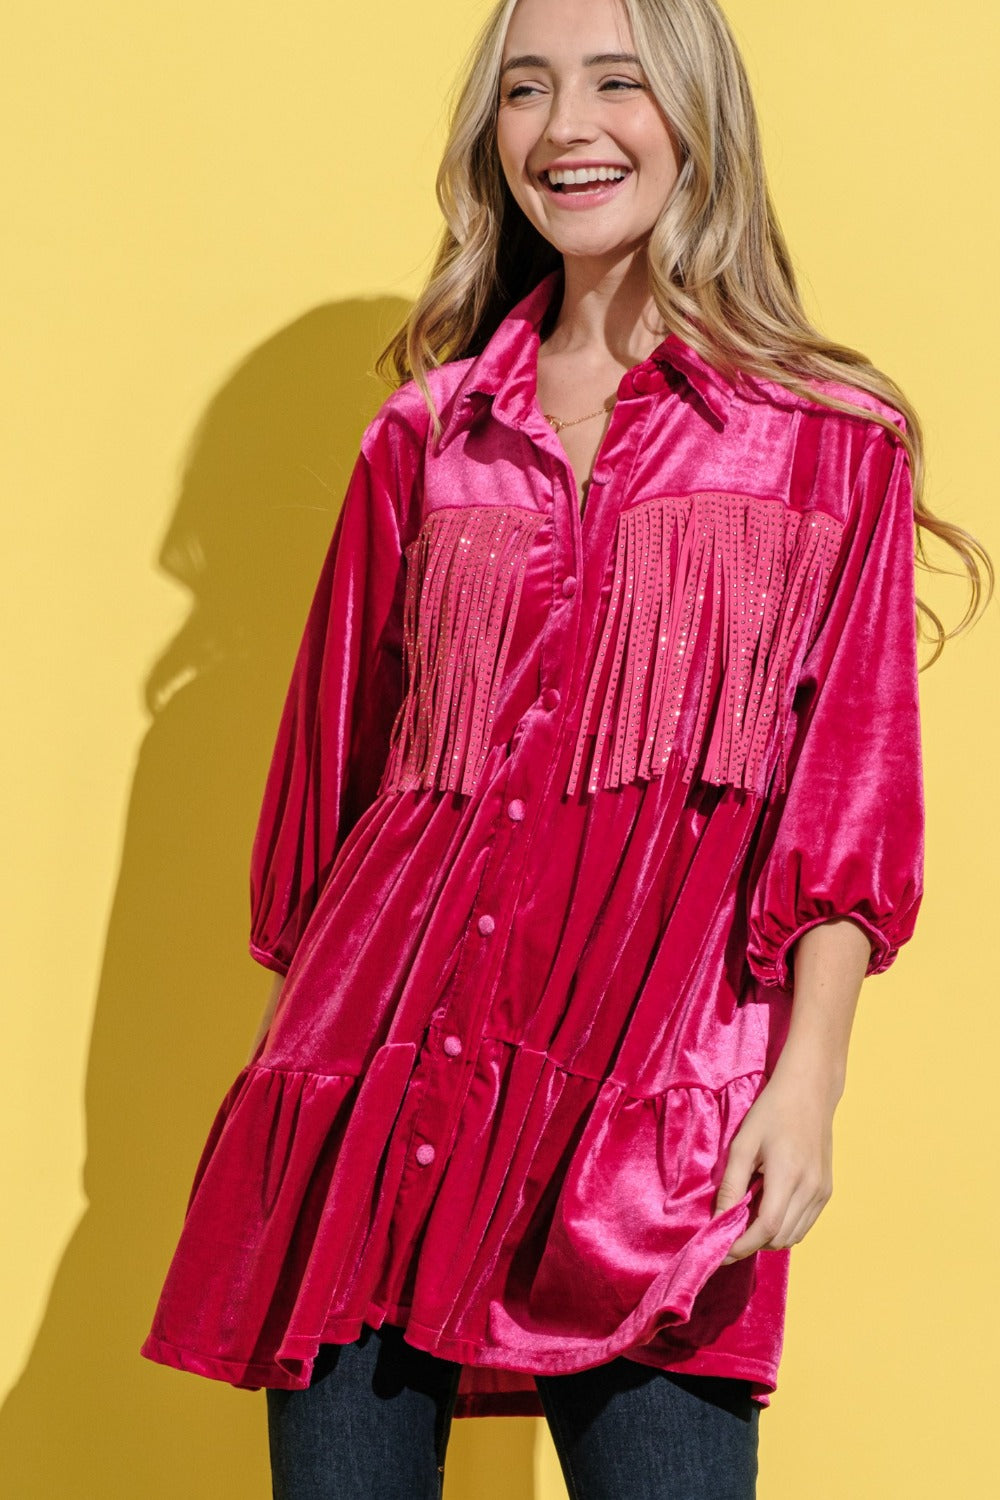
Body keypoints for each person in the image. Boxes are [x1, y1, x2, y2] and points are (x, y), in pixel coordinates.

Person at [140, 0, 992, 1496]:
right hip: (386, 1085)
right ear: (494, 137)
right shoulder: (426, 435)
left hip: (655, 1115)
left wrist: (806, 1081)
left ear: (695, 117)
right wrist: (315, 1072)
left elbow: (850, 788)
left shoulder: (826, 438)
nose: (566, 126)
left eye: (617, 82)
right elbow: (329, 796)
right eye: (525, 91)